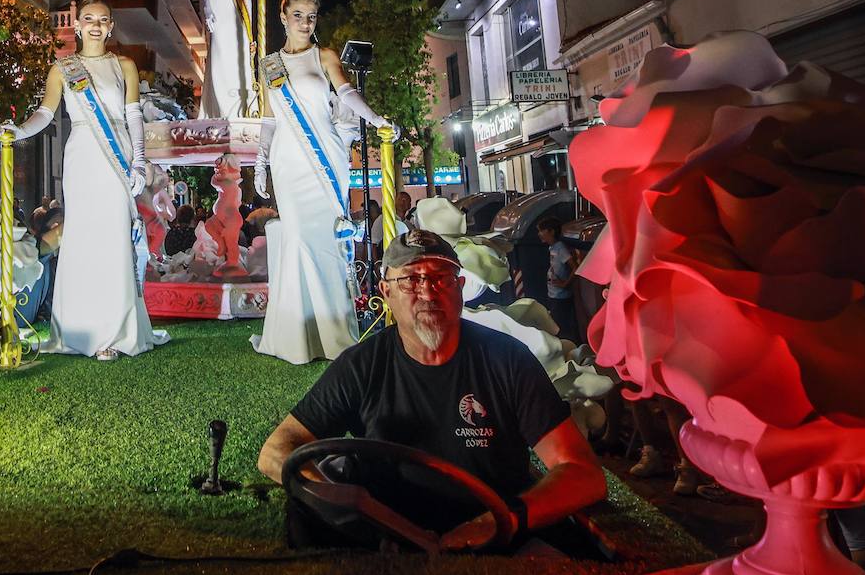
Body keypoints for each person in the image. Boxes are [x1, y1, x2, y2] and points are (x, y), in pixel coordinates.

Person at [258, 229, 607, 550]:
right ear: (386, 293)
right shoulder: (362, 366)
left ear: (459, 288)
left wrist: (505, 520)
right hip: (388, 543)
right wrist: (351, 508)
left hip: (495, 536)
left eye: (441, 278)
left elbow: (583, 473)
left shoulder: (507, 360)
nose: (428, 292)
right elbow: (277, 451)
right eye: (411, 280)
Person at [2, 0, 167, 360]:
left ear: (111, 27)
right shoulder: (63, 68)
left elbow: (134, 116)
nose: (95, 25)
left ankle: (114, 333)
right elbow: (45, 113)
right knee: (82, 240)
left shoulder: (124, 65)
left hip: (117, 155)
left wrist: (139, 161)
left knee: (112, 238)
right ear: (77, 25)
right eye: (88, 19)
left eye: (102, 20)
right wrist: (18, 130)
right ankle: (81, 331)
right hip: (82, 157)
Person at [251, 0, 398, 364]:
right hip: (288, 159)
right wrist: (261, 160)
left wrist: (376, 118)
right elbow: (269, 118)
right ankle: (300, 336)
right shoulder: (269, 65)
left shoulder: (325, 55)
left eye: (311, 15)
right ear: (283, 17)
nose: (305, 22)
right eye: (297, 15)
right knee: (300, 238)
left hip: (326, 157)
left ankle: (335, 336)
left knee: (330, 240)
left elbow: (347, 95)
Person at [537, 217, 581, 342]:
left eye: (542, 230)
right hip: (553, 294)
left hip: (560, 297)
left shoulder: (560, 248)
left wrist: (565, 284)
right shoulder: (552, 248)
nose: (539, 234)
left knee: (561, 327)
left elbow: (574, 267)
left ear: (551, 231)